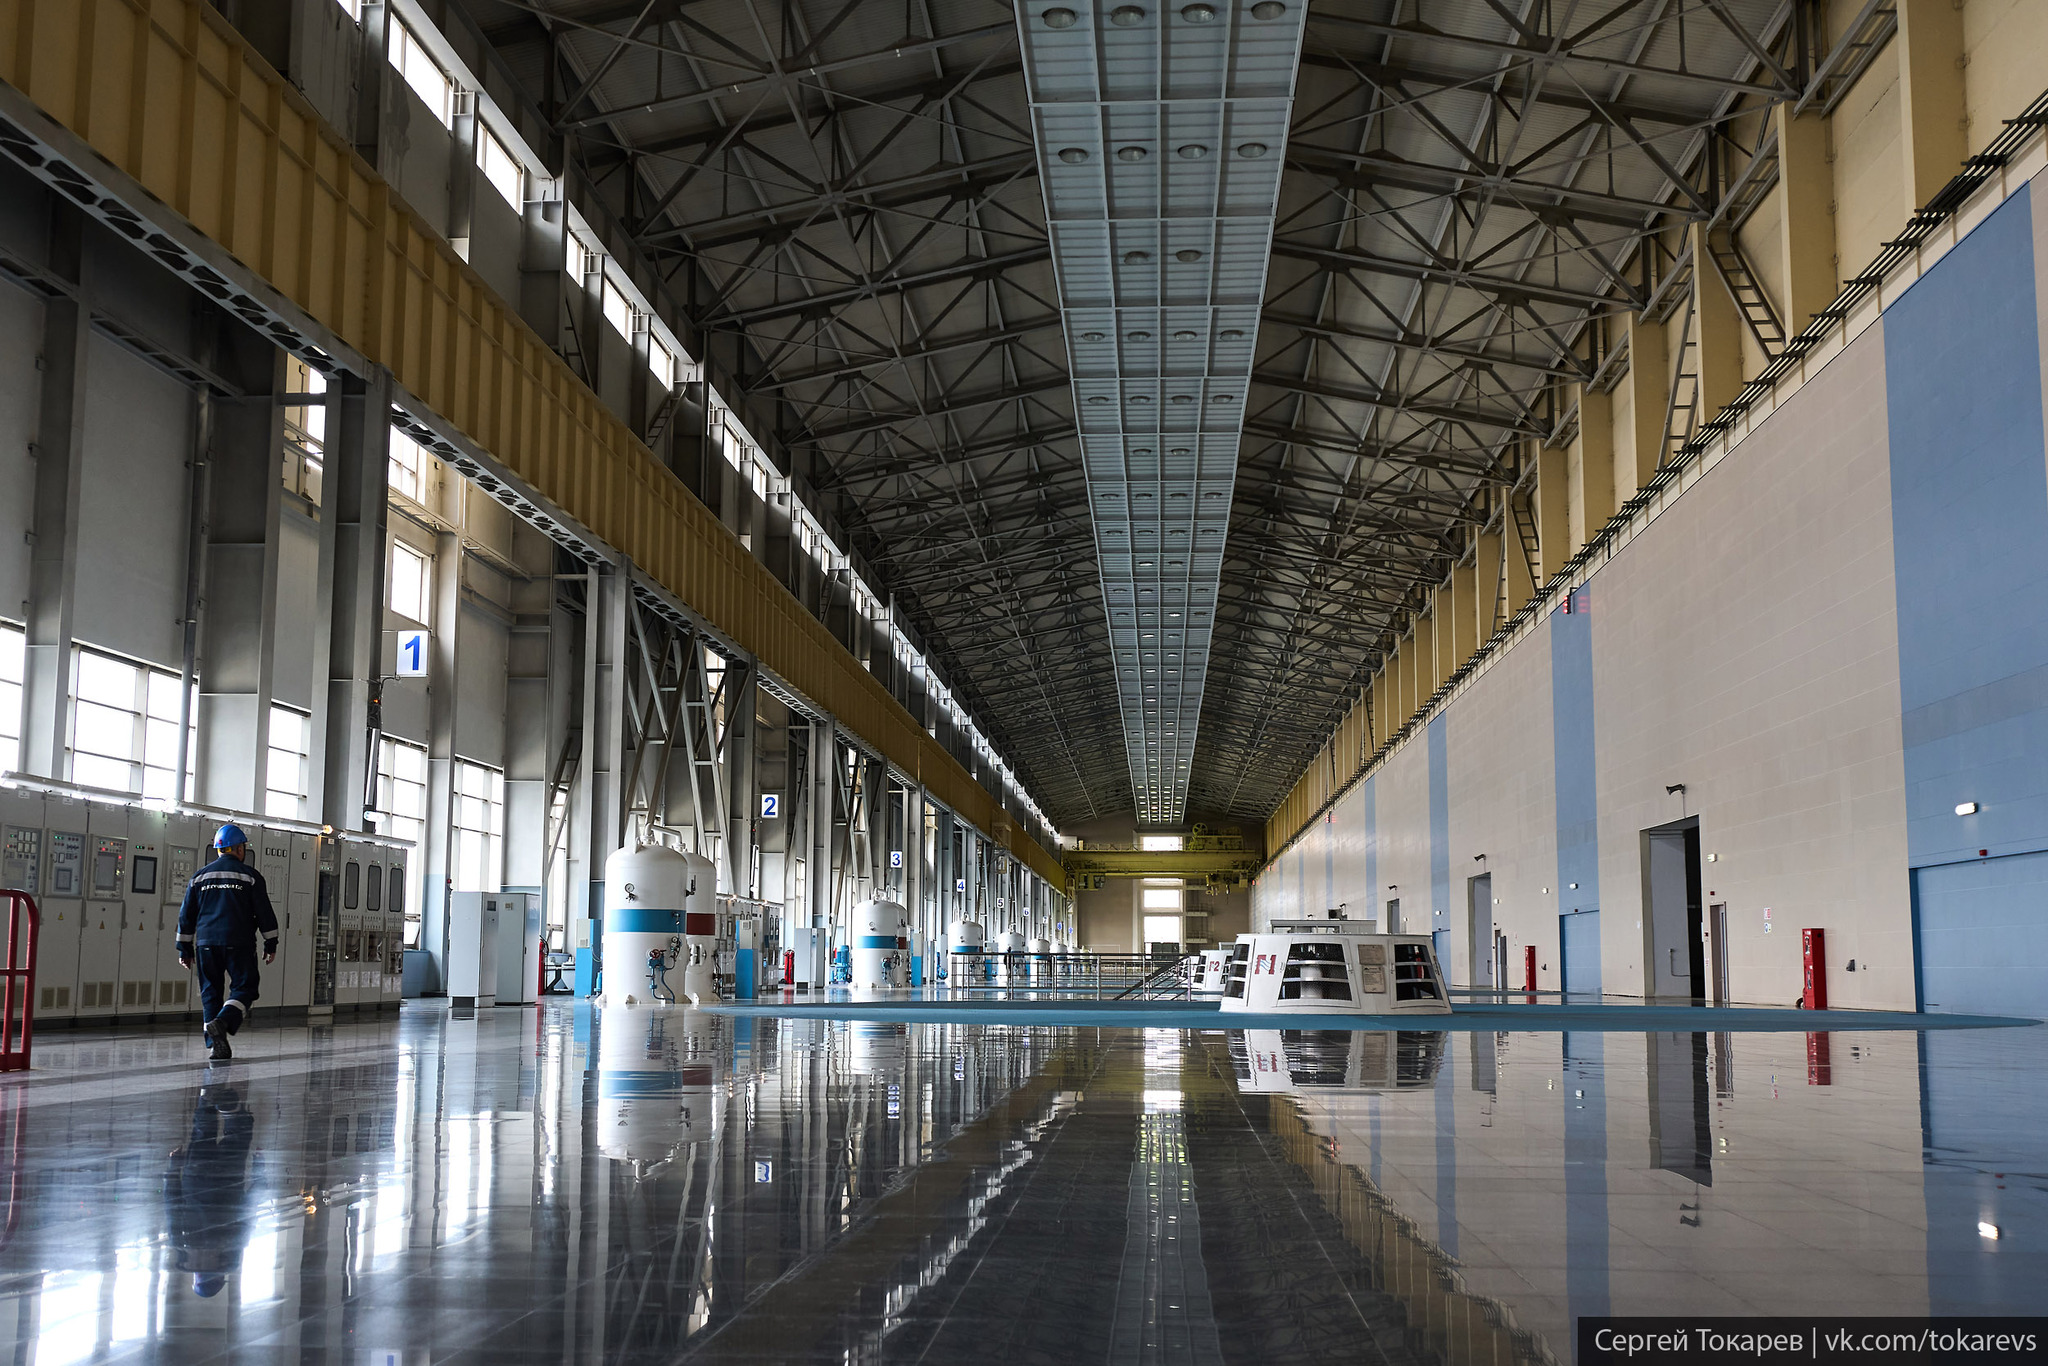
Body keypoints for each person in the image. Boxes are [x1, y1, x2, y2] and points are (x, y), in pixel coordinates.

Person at [176, 824, 279, 1061]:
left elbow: (186, 916)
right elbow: (264, 913)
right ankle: (222, 1022)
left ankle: (216, 1046)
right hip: (238, 942)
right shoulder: (250, 877)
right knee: (246, 987)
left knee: (210, 993)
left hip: (205, 944)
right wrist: (270, 943)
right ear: (239, 849)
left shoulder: (199, 877)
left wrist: (184, 948)